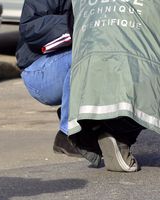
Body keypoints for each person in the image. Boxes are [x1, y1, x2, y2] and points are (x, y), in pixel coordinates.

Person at [67, 1, 160, 172]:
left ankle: (94, 130)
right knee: (145, 91)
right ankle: (119, 135)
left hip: (85, 67)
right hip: (133, 65)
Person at [16, 0, 80, 158]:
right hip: (38, 68)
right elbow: (30, 26)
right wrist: (78, 22)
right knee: (86, 58)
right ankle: (67, 134)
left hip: (67, 58)